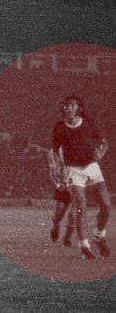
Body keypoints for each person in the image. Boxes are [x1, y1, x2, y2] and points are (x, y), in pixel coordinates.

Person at [51, 94, 111, 260]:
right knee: (80, 206)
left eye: (71, 105)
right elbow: (55, 150)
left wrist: (101, 153)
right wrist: (58, 167)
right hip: (73, 170)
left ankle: (99, 235)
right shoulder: (59, 127)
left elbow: (104, 143)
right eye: (66, 105)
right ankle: (84, 245)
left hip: (91, 166)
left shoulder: (89, 124)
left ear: (79, 108)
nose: (67, 108)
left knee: (106, 205)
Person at [47, 149, 77, 247]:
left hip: (75, 186)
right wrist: (58, 184)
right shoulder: (53, 152)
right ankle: (55, 226)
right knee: (57, 217)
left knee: (72, 215)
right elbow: (52, 172)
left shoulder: (78, 150)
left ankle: (67, 238)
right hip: (62, 188)